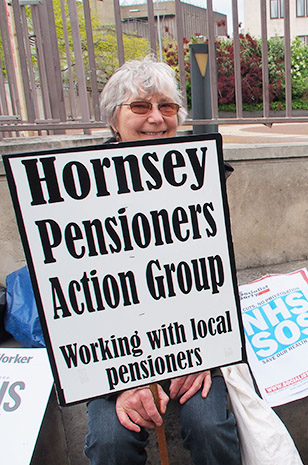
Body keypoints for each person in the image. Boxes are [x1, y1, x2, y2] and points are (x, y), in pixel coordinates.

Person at [84, 57, 241, 465]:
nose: (156, 118)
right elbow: (76, 296)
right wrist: (120, 380)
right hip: (112, 353)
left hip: (192, 344)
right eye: (140, 107)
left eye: (166, 107)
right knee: (110, 442)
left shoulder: (200, 178)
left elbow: (212, 275)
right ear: (113, 120)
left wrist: (205, 353)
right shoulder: (78, 193)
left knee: (210, 428)